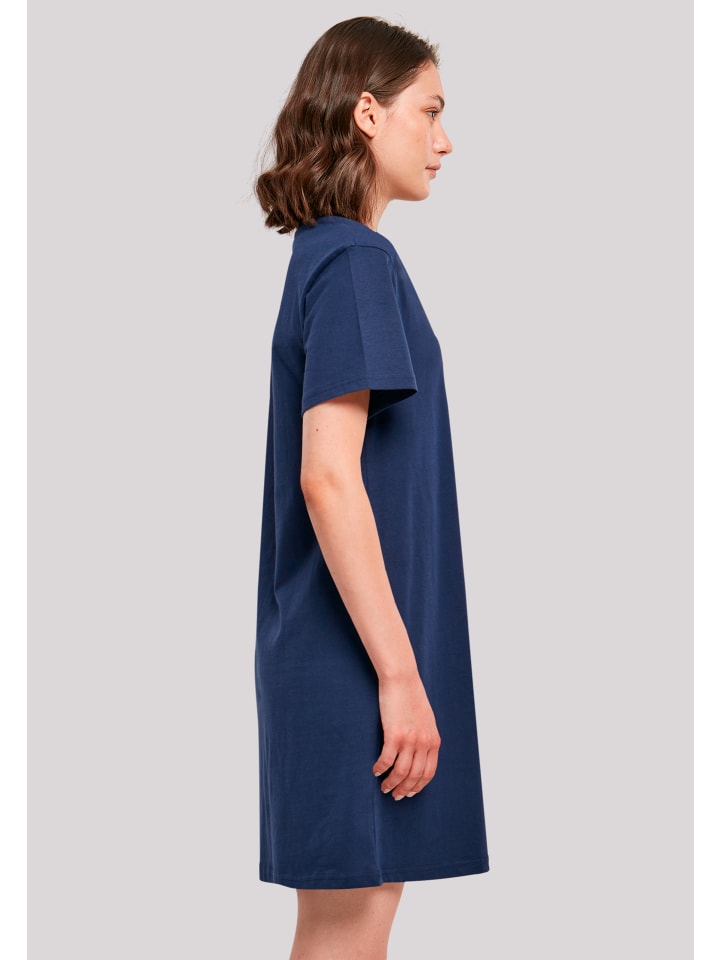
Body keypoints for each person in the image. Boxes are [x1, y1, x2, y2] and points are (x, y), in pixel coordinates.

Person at [253, 16, 490, 959]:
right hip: (354, 660)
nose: (444, 139)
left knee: (347, 926)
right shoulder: (354, 260)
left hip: (340, 650)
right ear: (366, 114)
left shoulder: (330, 257)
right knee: (349, 932)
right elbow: (327, 477)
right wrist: (399, 673)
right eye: (429, 111)